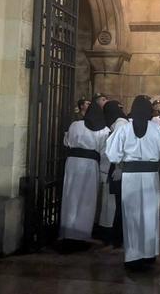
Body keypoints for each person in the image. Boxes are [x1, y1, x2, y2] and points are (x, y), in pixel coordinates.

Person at [105, 96, 160, 270]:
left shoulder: (124, 130)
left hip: (130, 177)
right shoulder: (157, 130)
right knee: (149, 214)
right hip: (150, 177)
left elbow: (112, 154)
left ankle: (133, 255)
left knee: (132, 215)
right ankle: (149, 253)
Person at [60, 102, 110, 251]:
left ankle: (68, 233)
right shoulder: (104, 130)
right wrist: (103, 173)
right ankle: (81, 236)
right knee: (87, 199)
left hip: (73, 164)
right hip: (90, 166)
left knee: (71, 197)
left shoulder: (75, 125)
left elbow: (66, 142)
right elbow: (104, 152)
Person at [100, 100, 129, 249]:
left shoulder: (120, 125)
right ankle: (116, 236)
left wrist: (119, 167)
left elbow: (121, 147)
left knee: (118, 204)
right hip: (118, 167)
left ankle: (117, 237)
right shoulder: (120, 123)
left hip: (119, 167)